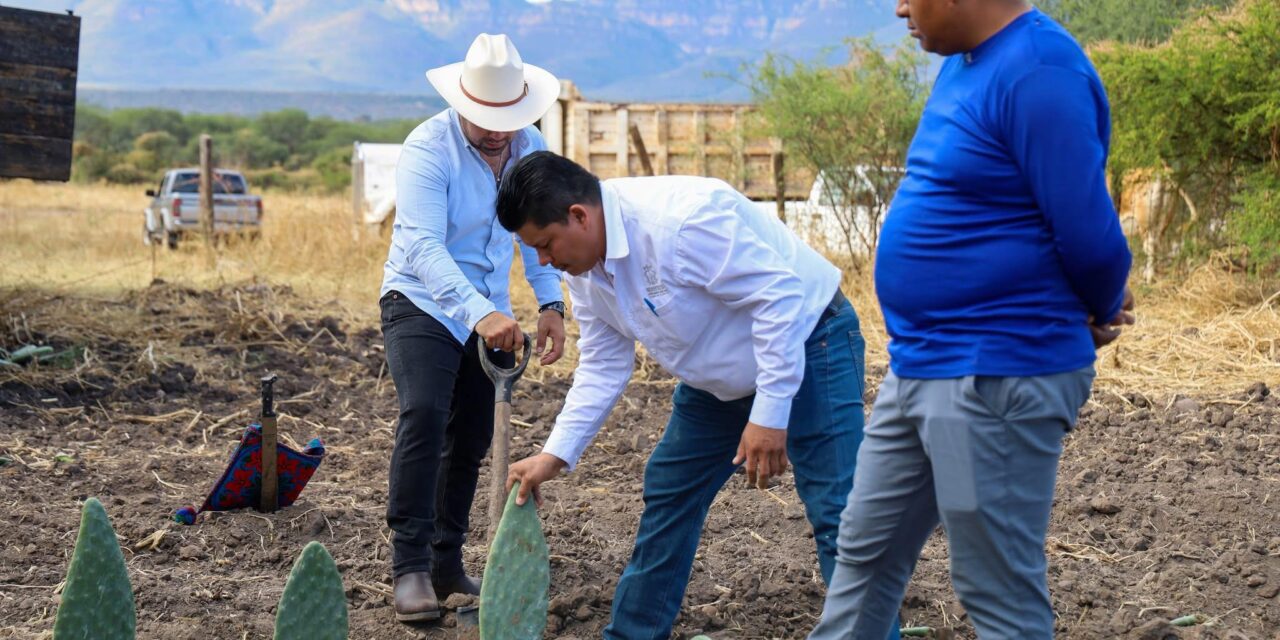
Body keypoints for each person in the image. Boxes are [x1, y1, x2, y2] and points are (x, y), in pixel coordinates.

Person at [808, 1, 1135, 638]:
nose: (899, 6)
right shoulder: (967, 63)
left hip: (993, 370)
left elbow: (1089, 232)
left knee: (996, 592)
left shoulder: (1039, 70)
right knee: (863, 561)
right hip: (922, 367)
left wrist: (1092, 307)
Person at [496, 151, 887, 639]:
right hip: (717, 380)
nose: (544, 261)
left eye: (546, 244)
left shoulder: (680, 223)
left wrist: (769, 414)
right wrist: (555, 454)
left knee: (838, 511)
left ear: (580, 215)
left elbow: (779, 298)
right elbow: (603, 364)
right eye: (533, 250)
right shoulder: (587, 272)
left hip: (809, 342)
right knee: (670, 491)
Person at [379, 33, 567, 622]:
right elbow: (425, 249)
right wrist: (479, 312)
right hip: (421, 301)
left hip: (490, 310)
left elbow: (535, 232)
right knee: (426, 415)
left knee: (472, 438)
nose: (495, 130)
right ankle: (408, 567)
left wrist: (550, 302)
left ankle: (444, 560)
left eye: (506, 118)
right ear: (460, 102)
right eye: (484, 118)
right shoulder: (427, 150)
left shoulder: (529, 144)